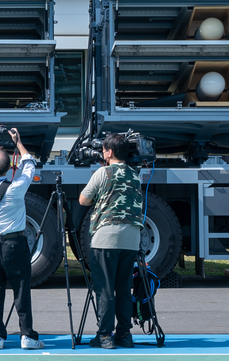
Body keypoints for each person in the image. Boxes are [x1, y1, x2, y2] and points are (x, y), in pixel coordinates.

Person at [0, 128, 43, 350]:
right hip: (14, 244)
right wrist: (18, 143)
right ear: (8, 168)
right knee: (21, 289)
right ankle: (27, 336)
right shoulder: (16, 188)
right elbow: (29, 163)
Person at [79, 133, 144, 350]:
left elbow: (83, 199)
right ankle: (124, 334)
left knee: (104, 288)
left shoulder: (102, 172)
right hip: (131, 239)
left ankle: (105, 335)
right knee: (124, 288)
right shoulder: (136, 176)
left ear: (109, 152)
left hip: (106, 237)